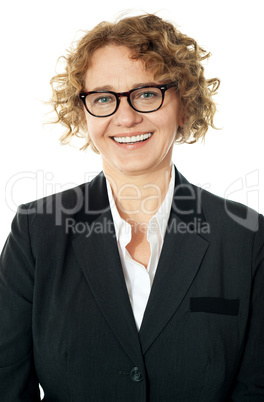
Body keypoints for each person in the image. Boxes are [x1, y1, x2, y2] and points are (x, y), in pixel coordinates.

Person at [0, 13, 263, 402]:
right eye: (104, 98)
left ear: (185, 105)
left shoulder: (246, 237)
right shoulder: (36, 232)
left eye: (146, 93)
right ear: (84, 113)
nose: (125, 117)